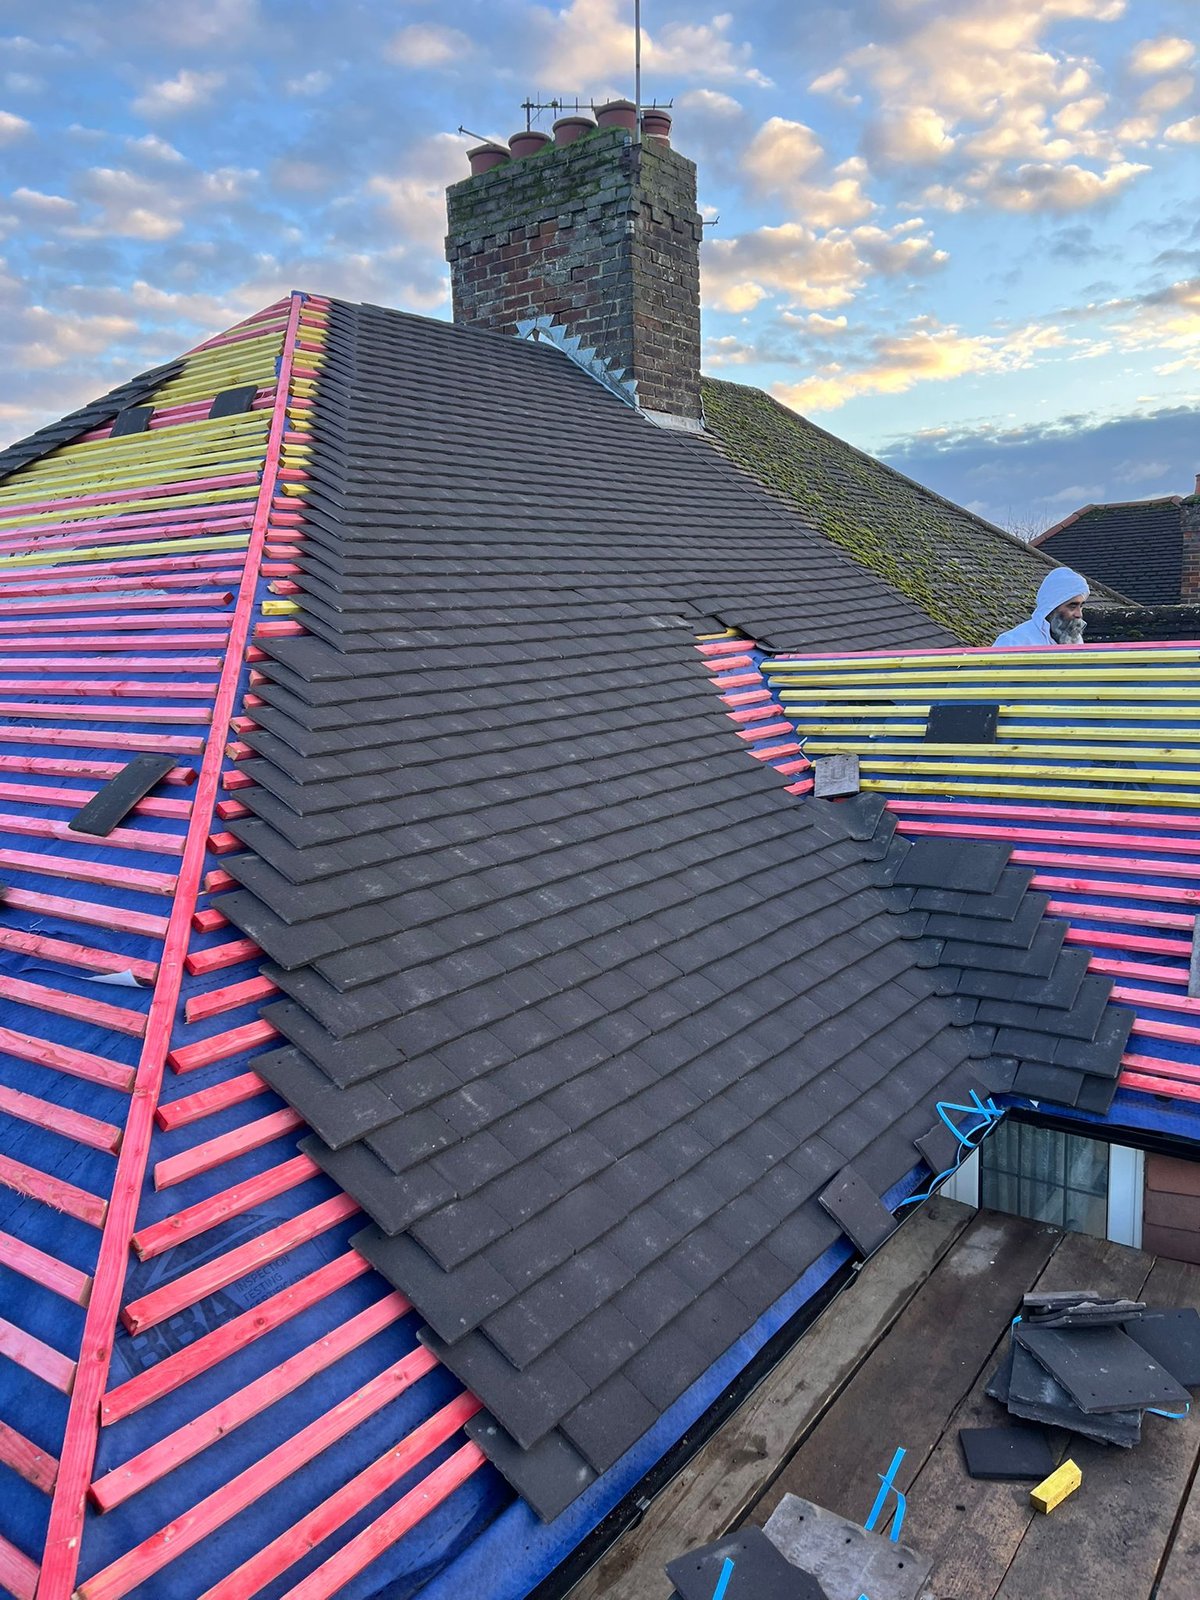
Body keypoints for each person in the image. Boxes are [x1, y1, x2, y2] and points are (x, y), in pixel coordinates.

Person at [993, 568, 1089, 647]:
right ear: (1052, 607)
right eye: (1072, 606)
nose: (1079, 614)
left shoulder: (1074, 639)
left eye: (1081, 606)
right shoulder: (1013, 642)